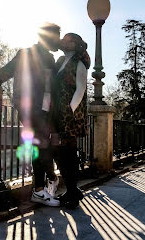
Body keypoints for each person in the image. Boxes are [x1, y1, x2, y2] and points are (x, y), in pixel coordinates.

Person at [0, 22, 60, 207]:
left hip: (45, 109)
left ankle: (45, 184)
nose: (58, 41)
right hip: (29, 107)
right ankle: (41, 188)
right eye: (56, 37)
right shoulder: (25, 54)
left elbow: (52, 88)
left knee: (43, 146)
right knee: (41, 145)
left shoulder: (51, 59)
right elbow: (8, 70)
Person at [51, 33, 90, 209]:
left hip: (70, 115)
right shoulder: (60, 61)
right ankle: (73, 190)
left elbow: (81, 89)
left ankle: (73, 193)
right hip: (59, 112)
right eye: (65, 39)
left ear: (77, 44)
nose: (66, 42)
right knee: (61, 152)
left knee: (68, 153)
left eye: (70, 40)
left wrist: (70, 109)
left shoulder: (79, 61)